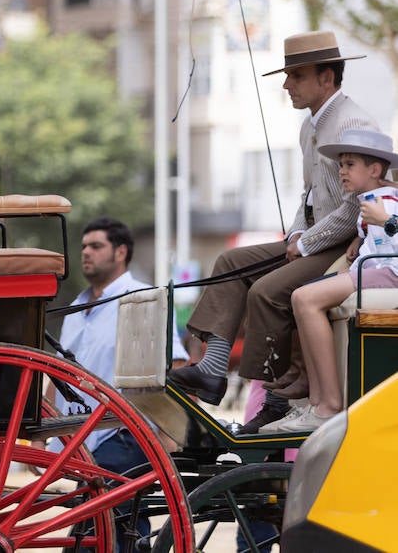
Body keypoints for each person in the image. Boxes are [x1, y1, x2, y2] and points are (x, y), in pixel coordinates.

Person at [168, 30, 380, 433]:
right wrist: (295, 238)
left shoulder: (351, 122)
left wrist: (308, 242)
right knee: (231, 260)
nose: (287, 84)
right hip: (316, 237)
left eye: (296, 75)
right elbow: (310, 196)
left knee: (266, 289)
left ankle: (278, 396)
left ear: (327, 79)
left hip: (346, 241)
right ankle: (212, 368)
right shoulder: (310, 125)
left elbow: (354, 206)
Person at [47, 217, 187, 551]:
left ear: (120, 251)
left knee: (101, 522)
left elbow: (176, 366)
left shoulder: (141, 299)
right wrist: (44, 433)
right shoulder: (77, 307)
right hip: (80, 437)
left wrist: (170, 435)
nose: (86, 253)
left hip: (125, 432)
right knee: (103, 523)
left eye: (96, 246)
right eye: (83, 247)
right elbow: (60, 373)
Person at [262, 130, 398, 433]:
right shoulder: (373, 200)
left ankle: (329, 404)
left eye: (350, 165)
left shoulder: (387, 201)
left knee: (305, 298)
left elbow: (391, 232)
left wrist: (384, 222)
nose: (342, 172)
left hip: (389, 274)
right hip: (373, 268)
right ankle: (317, 401)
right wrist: (359, 238)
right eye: (341, 165)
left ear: (374, 170)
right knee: (302, 295)